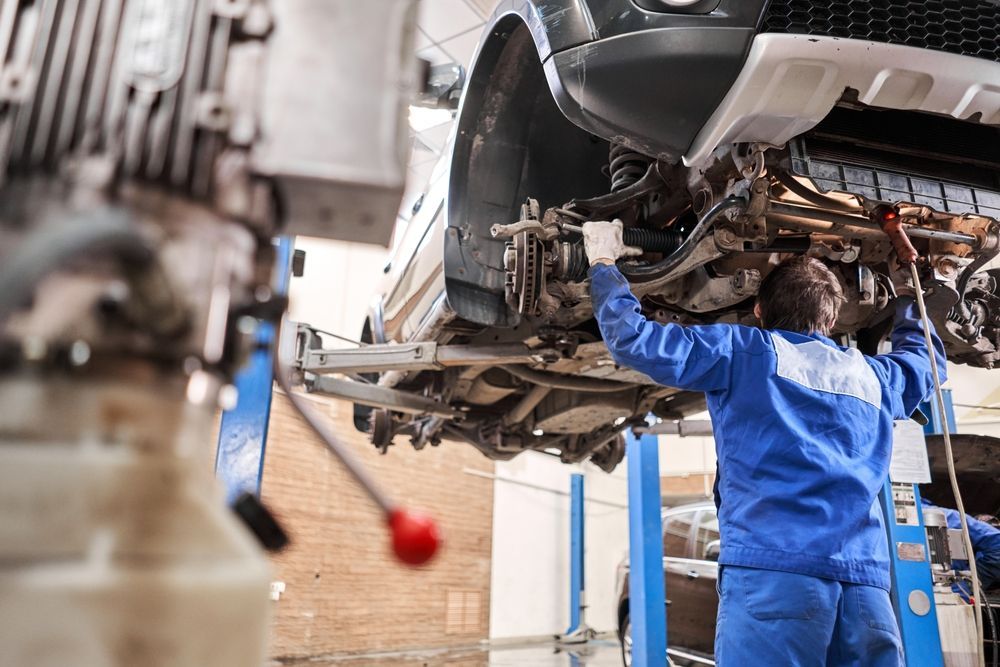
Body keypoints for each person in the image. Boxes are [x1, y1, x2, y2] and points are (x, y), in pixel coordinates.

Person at [583, 220, 946, 666]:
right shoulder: (874, 377)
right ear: (831, 320)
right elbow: (924, 363)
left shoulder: (744, 353)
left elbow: (633, 340)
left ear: (759, 310)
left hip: (776, 579)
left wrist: (603, 264)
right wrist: (911, 298)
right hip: (865, 589)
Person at [923, 499, 1000, 591]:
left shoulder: (945, 517)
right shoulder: (948, 517)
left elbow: (997, 544)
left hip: (946, 596)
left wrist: (969, 582)